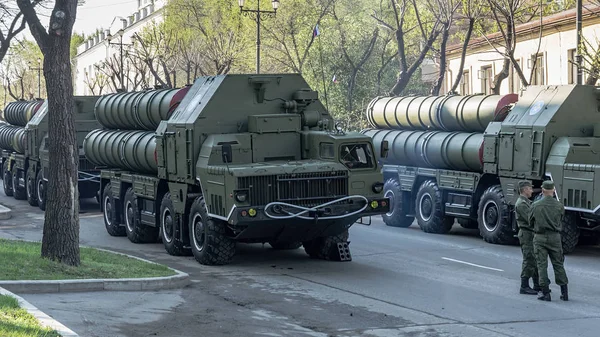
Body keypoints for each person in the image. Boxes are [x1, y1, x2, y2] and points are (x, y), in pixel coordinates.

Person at [529, 180, 569, 302]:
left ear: (542, 190)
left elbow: (530, 222)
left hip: (540, 237)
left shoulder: (535, 205)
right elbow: (561, 219)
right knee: (558, 264)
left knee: (542, 265)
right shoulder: (559, 206)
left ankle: (545, 293)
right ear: (553, 190)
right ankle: (564, 292)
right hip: (555, 237)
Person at [515, 180, 539, 295]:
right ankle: (524, 286)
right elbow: (531, 220)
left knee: (534, 259)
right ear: (524, 190)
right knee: (529, 259)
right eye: (530, 188)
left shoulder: (527, 202)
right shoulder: (521, 204)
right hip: (526, 235)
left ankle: (537, 284)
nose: (532, 191)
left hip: (531, 235)